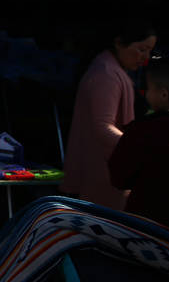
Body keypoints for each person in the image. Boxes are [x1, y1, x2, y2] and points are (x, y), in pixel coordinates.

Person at [60, 19, 156, 210]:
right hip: (100, 171)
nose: (145, 58)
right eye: (141, 49)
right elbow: (103, 127)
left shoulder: (110, 69)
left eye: (149, 51)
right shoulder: (106, 74)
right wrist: (140, 146)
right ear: (119, 43)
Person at [109, 54, 169, 237]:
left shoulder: (143, 132)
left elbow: (119, 178)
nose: (145, 93)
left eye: (148, 88)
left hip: (146, 231)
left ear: (164, 94)